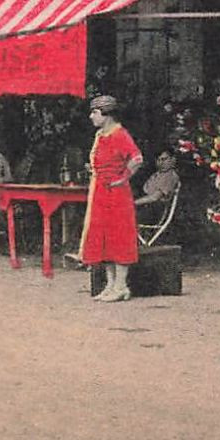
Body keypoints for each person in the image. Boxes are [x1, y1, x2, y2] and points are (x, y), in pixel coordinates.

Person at [80, 95, 143, 302]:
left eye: (94, 113)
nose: (91, 117)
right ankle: (110, 284)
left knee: (118, 235)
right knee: (103, 236)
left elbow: (136, 158)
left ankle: (122, 285)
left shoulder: (120, 134)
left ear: (105, 114)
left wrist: (122, 178)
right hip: (100, 191)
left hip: (116, 194)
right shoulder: (100, 135)